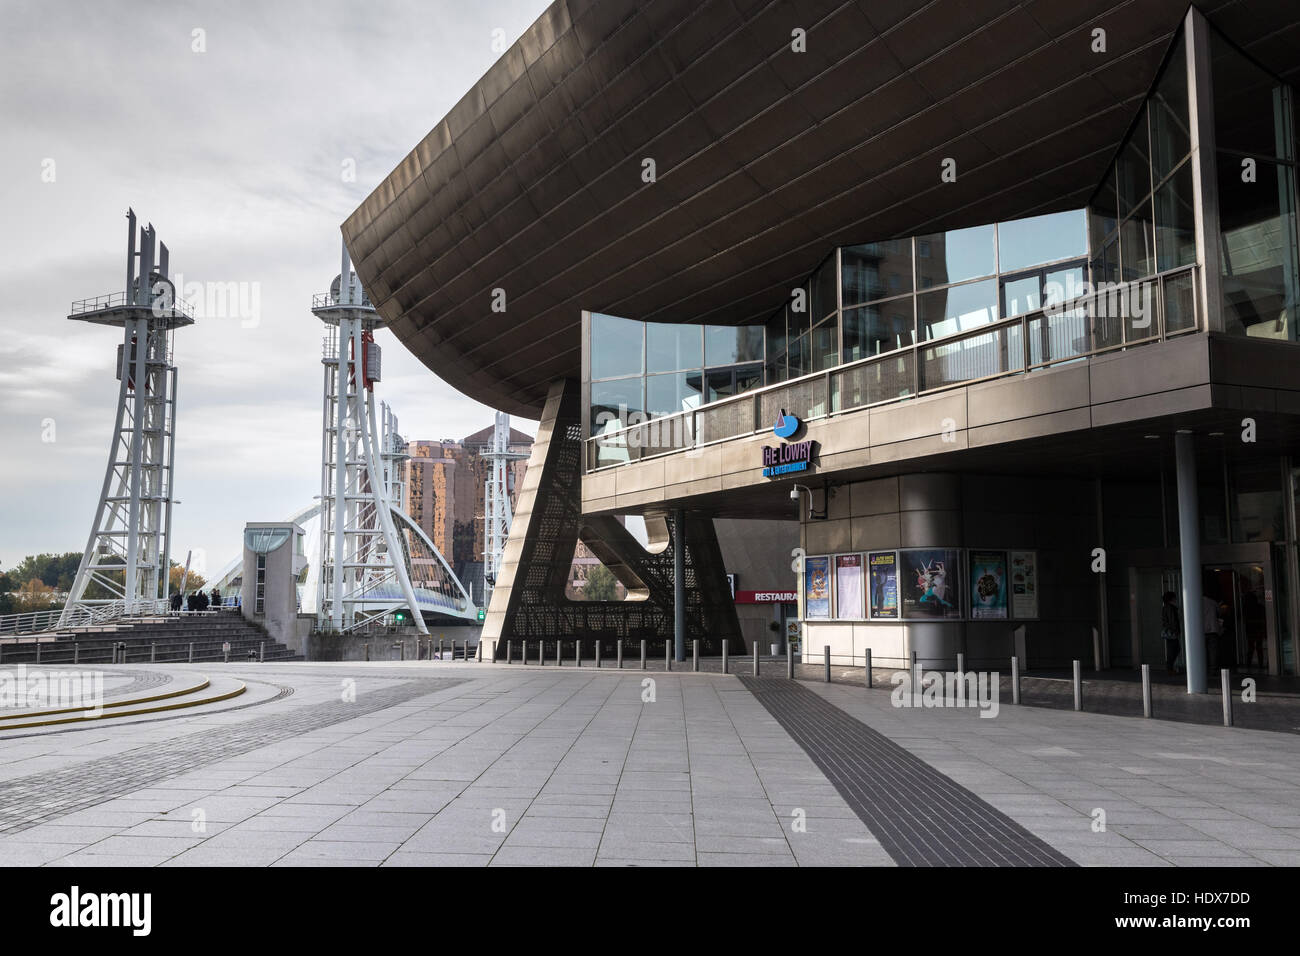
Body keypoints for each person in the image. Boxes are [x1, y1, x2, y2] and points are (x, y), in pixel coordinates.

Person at [1160, 591, 1180, 674]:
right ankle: (1170, 668)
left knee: (1173, 649)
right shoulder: (1170, 608)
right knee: (1174, 649)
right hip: (1172, 632)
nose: (1175, 599)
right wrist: (1176, 631)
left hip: (1169, 631)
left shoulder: (1165, 607)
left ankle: (1170, 667)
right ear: (1171, 598)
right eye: (1174, 597)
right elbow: (1172, 621)